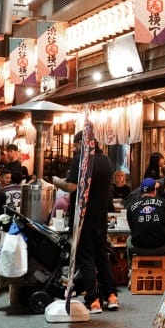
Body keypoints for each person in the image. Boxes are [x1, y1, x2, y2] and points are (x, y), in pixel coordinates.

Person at [64, 131, 118, 313]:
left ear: (82, 143)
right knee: (102, 256)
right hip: (101, 216)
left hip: (84, 217)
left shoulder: (80, 159)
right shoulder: (106, 160)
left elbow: (71, 186)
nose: (74, 148)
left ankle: (93, 300)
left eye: (75, 144)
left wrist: (56, 182)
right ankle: (111, 296)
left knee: (86, 257)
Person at [126, 176, 165, 269]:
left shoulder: (131, 206)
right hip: (160, 248)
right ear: (154, 190)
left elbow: (132, 229)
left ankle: (131, 272)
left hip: (138, 247)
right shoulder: (164, 203)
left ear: (141, 191)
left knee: (129, 240)